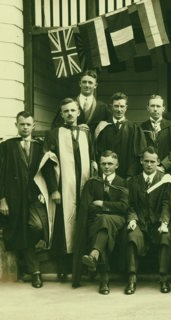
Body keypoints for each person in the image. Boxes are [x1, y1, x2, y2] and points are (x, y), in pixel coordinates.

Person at [0, 112, 56, 288]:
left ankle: (28, 260)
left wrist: (51, 191)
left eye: (28, 124)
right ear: (16, 125)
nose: (25, 127)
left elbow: (47, 172)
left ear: (34, 125)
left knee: (38, 226)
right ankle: (35, 272)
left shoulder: (40, 147)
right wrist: (2, 199)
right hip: (13, 198)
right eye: (21, 124)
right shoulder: (6, 146)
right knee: (19, 229)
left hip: (33, 198)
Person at [44, 98, 95, 280]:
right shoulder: (54, 134)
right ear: (62, 113)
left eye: (73, 110)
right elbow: (48, 164)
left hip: (84, 185)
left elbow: (93, 158)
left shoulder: (86, 133)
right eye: (66, 111)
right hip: (63, 187)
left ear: (78, 112)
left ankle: (84, 266)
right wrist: (53, 189)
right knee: (63, 226)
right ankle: (64, 265)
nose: (70, 114)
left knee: (84, 223)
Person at [76, 151, 128, 294]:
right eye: (103, 163)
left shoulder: (123, 182)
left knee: (103, 222)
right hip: (98, 221)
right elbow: (88, 206)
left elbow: (124, 206)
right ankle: (96, 256)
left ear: (117, 165)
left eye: (110, 163)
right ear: (99, 164)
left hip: (118, 221)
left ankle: (103, 277)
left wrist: (102, 204)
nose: (106, 167)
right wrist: (110, 207)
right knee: (102, 227)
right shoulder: (93, 182)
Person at [125, 147, 171, 294]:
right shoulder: (133, 181)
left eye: (152, 161)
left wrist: (164, 222)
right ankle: (132, 279)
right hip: (140, 222)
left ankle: (163, 278)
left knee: (165, 236)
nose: (149, 164)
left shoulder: (164, 180)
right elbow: (130, 204)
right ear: (141, 161)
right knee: (132, 236)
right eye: (146, 161)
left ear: (158, 162)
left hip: (156, 223)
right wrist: (132, 218)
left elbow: (166, 203)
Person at [95, 92, 146, 179]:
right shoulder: (104, 128)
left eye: (122, 106)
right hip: (106, 175)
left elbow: (138, 155)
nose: (119, 109)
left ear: (126, 108)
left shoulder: (134, 128)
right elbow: (99, 152)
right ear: (111, 107)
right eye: (116, 106)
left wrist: (130, 175)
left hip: (127, 176)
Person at [140, 95, 171, 175]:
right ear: (148, 108)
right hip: (147, 170)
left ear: (163, 108)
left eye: (158, 106)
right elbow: (140, 150)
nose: (155, 109)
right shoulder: (141, 128)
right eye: (152, 106)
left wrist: (163, 166)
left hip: (167, 171)